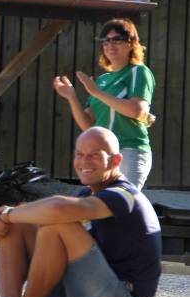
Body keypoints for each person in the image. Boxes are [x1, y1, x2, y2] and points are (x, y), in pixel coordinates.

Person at [0, 127, 160, 297]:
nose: (85, 160)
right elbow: (39, 212)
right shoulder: (86, 194)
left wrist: (5, 214)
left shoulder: (125, 195)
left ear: (116, 160)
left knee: (56, 222)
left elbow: (57, 210)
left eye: (95, 154)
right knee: (20, 222)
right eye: (79, 154)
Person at [53, 19, 155, 189]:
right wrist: (71, 97)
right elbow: (88, 125)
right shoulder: (102, 80)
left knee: (117, 205)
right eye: (105, 40)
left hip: (129, 151)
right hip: (101, 155)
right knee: (98, 208)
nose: (110, 44)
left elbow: (137, 110)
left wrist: (97, 93)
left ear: (131, 44)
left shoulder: (139, 71)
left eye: (117, 39)